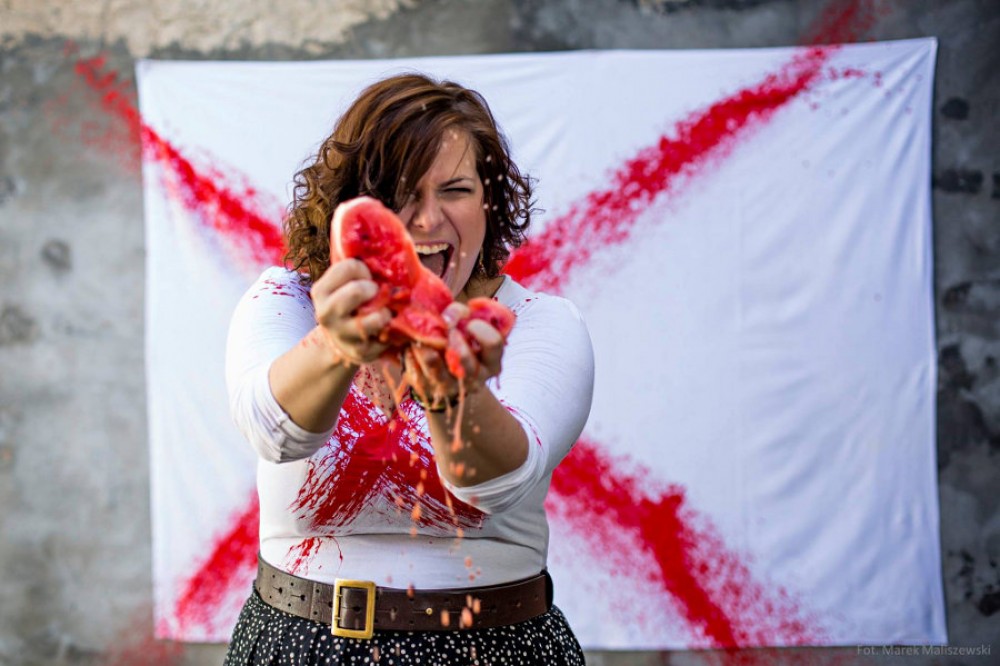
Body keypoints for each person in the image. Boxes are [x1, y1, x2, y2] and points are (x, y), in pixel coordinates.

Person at [223, 73, 595, 665]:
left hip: (493, 647)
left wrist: (453, 388)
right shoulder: (287, 302)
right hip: (298, 645)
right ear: (350, 202)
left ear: (490, 203)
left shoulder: (540, 322)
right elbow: (273, 431)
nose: (425, 220)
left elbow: (499, 484)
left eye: (455, 190)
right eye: (399, 192)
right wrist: (337, 345)